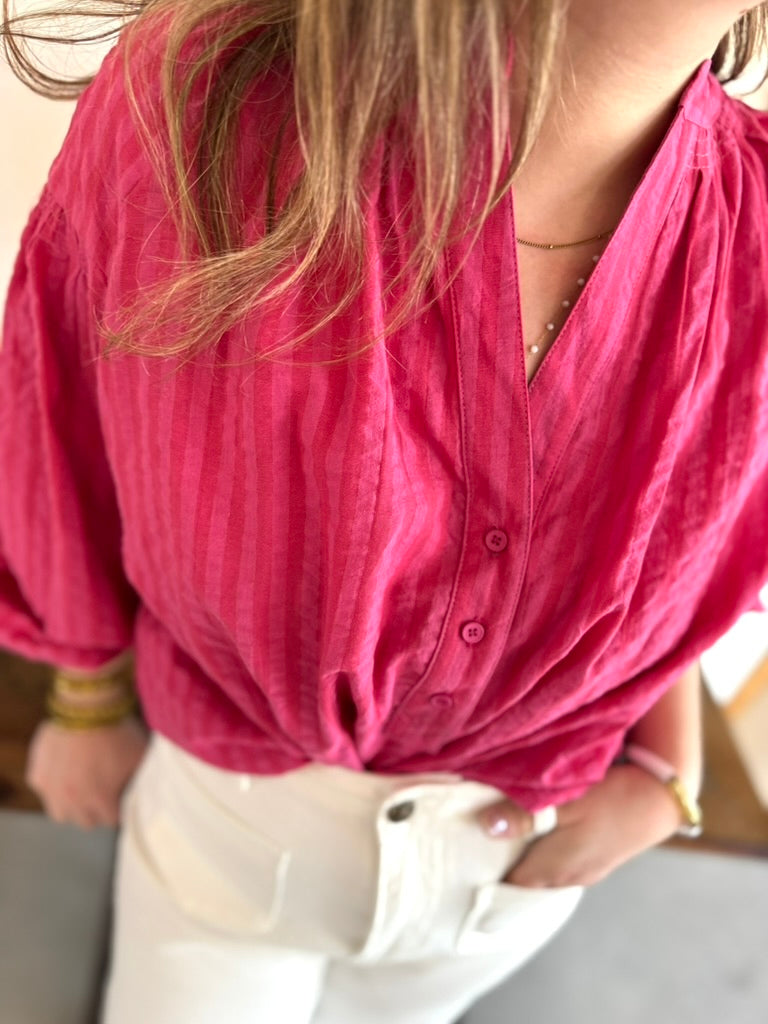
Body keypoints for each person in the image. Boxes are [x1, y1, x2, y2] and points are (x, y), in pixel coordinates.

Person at [1, 1, 767, 1021]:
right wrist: (85, 697)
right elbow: (61, 415)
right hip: (227, 828)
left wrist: (671, 770)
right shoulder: (209, 99)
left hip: (507, 872)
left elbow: (695, 548)